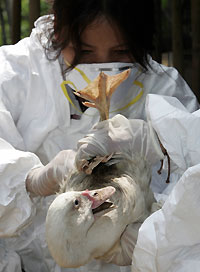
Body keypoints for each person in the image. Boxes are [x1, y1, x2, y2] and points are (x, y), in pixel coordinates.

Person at [0, 0, 199, 271]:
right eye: (84, 51)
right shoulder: (14, 73)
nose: (102, 66)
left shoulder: (164, 87)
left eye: (121, 51)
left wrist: (161, 147)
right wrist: (31, 181)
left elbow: (191, 187)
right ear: (58, 27)